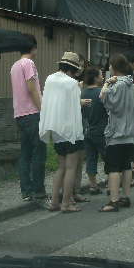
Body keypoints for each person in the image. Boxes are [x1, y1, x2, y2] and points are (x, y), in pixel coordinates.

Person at [39, 52, 85, 213]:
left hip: (55, 129)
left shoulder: (50, 79)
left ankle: (54, 202)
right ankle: (66, 203)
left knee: (60, 167)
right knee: (71, 167)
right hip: (70, 129)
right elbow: (74, 108)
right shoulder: (72, 83)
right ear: (73, 69)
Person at [99, 54, 134, 212]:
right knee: (126, 166)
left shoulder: (116, 85)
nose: (109, 68)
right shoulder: (133, 87)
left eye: (110, 66)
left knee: (114, 168)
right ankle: (126, 197)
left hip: (117, 132)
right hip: (130, 133)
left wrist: (106, 84)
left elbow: (106, 101)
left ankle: (114, 200)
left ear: (114, 67)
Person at [10, 34, 46, 203]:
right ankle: (38, 190)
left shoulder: (14, 66)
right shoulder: (29, 63)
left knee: (25, 153)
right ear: (33, 47)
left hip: (19, 114)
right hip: (32, 113)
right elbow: (32, 89)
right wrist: (42, 110)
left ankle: (26, 191)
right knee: (39, 153)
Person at [80, 66, 108, 195]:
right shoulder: (101, 92)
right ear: (96, 78)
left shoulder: (82, 93)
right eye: (101, 75)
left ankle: (93, 185)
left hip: (86, 130)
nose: (102, 77)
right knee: (108, 157)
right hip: (101, 130)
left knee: (91, 158)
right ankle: (111, 183)